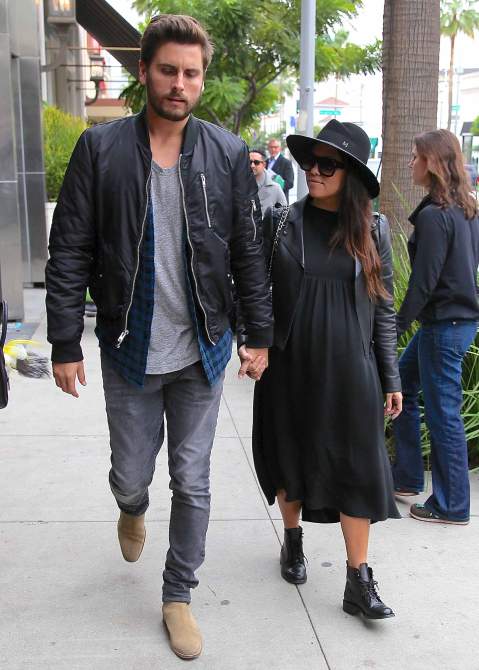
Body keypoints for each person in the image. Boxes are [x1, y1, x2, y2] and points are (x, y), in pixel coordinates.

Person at [45, 14, 272, 660]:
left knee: (193, 481)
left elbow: (247, 251)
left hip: (202, 348)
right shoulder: (101, 150)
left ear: (202, 79)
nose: (179, 84)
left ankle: (178, 596)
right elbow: (70, 250)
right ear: (143, 71)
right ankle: (131, 504)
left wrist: (258, 334)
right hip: (130, 347)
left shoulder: (226, 153)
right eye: (168, 70)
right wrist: (65, 342)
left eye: (191, 73)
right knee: (130, 473)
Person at [240, 119, 403, 620]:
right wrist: (256, 344)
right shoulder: (282, 221)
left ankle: (358, 579)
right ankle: (293, 540)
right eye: (311, 161)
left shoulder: (373, 230)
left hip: (352, 369)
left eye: (327, 164)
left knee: (358, 467)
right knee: (289, 455)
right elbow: (256, 289)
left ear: (350, 175)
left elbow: (384, 308)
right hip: (289, 363)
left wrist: (391, 377)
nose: (313, 170)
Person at [392, 129, 479, 525]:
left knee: (444, 415)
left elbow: (422, 283)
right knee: (404, 384)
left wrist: (394, 328)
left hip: (445, 326)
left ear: (431, 162)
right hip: (455, 323)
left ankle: (451, 505)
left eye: (415, 156)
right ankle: (408, 476)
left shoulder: (434, 216)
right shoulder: (466, 208)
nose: (411, 163)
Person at [249, 148, 287, 213]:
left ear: (264, 165)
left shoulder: (275, 188)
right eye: (249, 162)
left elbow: (284, 213)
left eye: (256, 162)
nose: (252, 165)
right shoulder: (238, 185)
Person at [267, 138, 294, 202]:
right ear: (268, 148)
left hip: (280, 200)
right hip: (266, 200)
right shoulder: (265, 162)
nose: (273, 149)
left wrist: (277, 183)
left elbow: (290, 183)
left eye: (275, 147)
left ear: (280, 148)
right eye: (271, 147)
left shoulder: (286, 163)